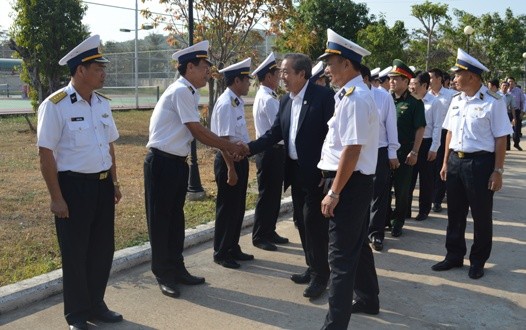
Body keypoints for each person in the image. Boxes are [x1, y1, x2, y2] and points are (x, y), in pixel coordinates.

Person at [145, 41, 247, 298]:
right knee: (161, 222)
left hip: (177, 164)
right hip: (162, 163)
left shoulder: (189, 92)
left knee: (175, 221)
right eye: (204, 67)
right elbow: (198, 131)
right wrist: (227, 145)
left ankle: (177, 268)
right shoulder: (180, 91)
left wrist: (226, 145)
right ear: (189, 67)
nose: (207, 73)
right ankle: (163, 273)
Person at [37, 35, 123, 330]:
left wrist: (114, 181)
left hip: (101, 186)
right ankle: (76, 314)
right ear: (80, 71)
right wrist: (56, 197)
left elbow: (109, 145)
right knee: (75, 252)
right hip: (73, 188)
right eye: (98, 67)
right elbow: (45, 153)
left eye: (102, 67)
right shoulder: (55, 105)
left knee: (102, 249)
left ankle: (96, 305)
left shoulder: (101, 103)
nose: (103, 72)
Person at [246, 53, 335, 299]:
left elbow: (334, 136)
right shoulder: (285, 101)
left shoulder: (324, 98)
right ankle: (312, 265)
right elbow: (274, 133)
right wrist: (248, 149)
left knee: (314, 223)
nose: (282, 77)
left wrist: (328, 171)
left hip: (317, 173)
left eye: (286, 72)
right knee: (300, 220)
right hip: (295, 173)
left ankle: (321, 275)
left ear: (301, 74)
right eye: (281, 72)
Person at [317, 28, 380, 330]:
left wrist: (335, 192)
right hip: (348, 182)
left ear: (346, 63)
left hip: (347, 184)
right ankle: (368, 298)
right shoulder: (347, 96)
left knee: (340, 259)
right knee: (356, 247)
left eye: (330, 62)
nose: (327, 69)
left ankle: (335, 325)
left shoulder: (355, 99)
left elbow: (352, 150)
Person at [432, 48, 512, 279]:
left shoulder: (493, 102)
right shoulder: (456, 100)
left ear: (472, 77)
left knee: (481, 214)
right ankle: (454, 256)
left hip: (481, 164)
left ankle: (478, 261)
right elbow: (449, 133)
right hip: (457, 161)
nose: (454, 78)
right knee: (454, 213)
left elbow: (500, 138)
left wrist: (498, 170)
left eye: (458, 74)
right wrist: (446, 162)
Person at [211, 58, 253, 269]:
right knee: (227, 208)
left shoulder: (236, 101)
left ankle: (232, 246)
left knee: (238, 207)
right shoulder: (226, 103)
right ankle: (221, 251)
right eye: (247, 80)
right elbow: (223, 140)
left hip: (239, 159)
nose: (249, 84)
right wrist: (230, 169)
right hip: (229, 162)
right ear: (237, 80)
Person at [251, 52, 289, 251]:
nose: (280, 79)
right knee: (267, 195)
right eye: (276, 75)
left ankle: (269, 230)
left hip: (274, 151)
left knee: (274, 194)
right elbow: (280, 126)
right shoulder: (267, 99)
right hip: (269, 151)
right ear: (267, 77)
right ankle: (259, 235)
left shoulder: (269, 96)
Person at [361, 65, 400, 252]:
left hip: (379, 151)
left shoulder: (383, 97)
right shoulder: (346, 95)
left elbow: (391, 125)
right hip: (357, 153)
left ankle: (375, 233)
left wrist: (393, 153)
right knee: (359, 194)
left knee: (379, 195)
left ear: (368, 79)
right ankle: (360, 232)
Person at [388, 60, 426, 237]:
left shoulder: (414, 103)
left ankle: (398, 222)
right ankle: (385, 218)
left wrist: (415, 152)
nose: (392, 81)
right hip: (385, 153)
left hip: (404, 154)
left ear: (406, 81)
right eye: (391, 78)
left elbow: (420, 129)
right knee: (383, 189)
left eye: (396, 79)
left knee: (402, 190)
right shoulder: (386, 100)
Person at [407, 71, 442, 221]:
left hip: (426, 144)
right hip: (411, 144)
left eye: (414, 84)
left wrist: (434, 148)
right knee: (408, 179)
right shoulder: (409, 101)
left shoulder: (434, 103)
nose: (411, 87)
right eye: (410, 84)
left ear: (424, 86)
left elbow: (437, 126)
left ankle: (424, 210)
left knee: (426, 180)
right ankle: (405, 210)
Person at [428, 68, 455, 213]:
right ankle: (430, 196)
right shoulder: (426, 95)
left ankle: (437, 199)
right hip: (429, 134)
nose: (429, 80)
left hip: (445, 134)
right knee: (429, 168)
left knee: (441, 166)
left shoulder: (451, 95)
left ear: (439, 79)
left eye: (431, 77)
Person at [506, 77, 524, 150]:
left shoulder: (519, 91)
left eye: (512, 81)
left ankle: (516, 143)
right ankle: (507, 146)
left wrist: (522, 111)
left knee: (516, 129)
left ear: (514, 82)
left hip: (516, 111)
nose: (510, 83)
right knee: (506, 129)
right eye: (509, 81)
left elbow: (523, 101)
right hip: (506, 112)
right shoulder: (504, 91)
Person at [499, 81, 517, 150]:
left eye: (506, 86)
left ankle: (507, 147)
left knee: (507, 131)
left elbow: (512, 108)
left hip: (505, 115)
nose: (505, 87)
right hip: (496, 115)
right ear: (500, 86)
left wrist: (514, 118)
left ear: (508, 87)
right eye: (503, 85)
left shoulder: (510, 96)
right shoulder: (496, 94)